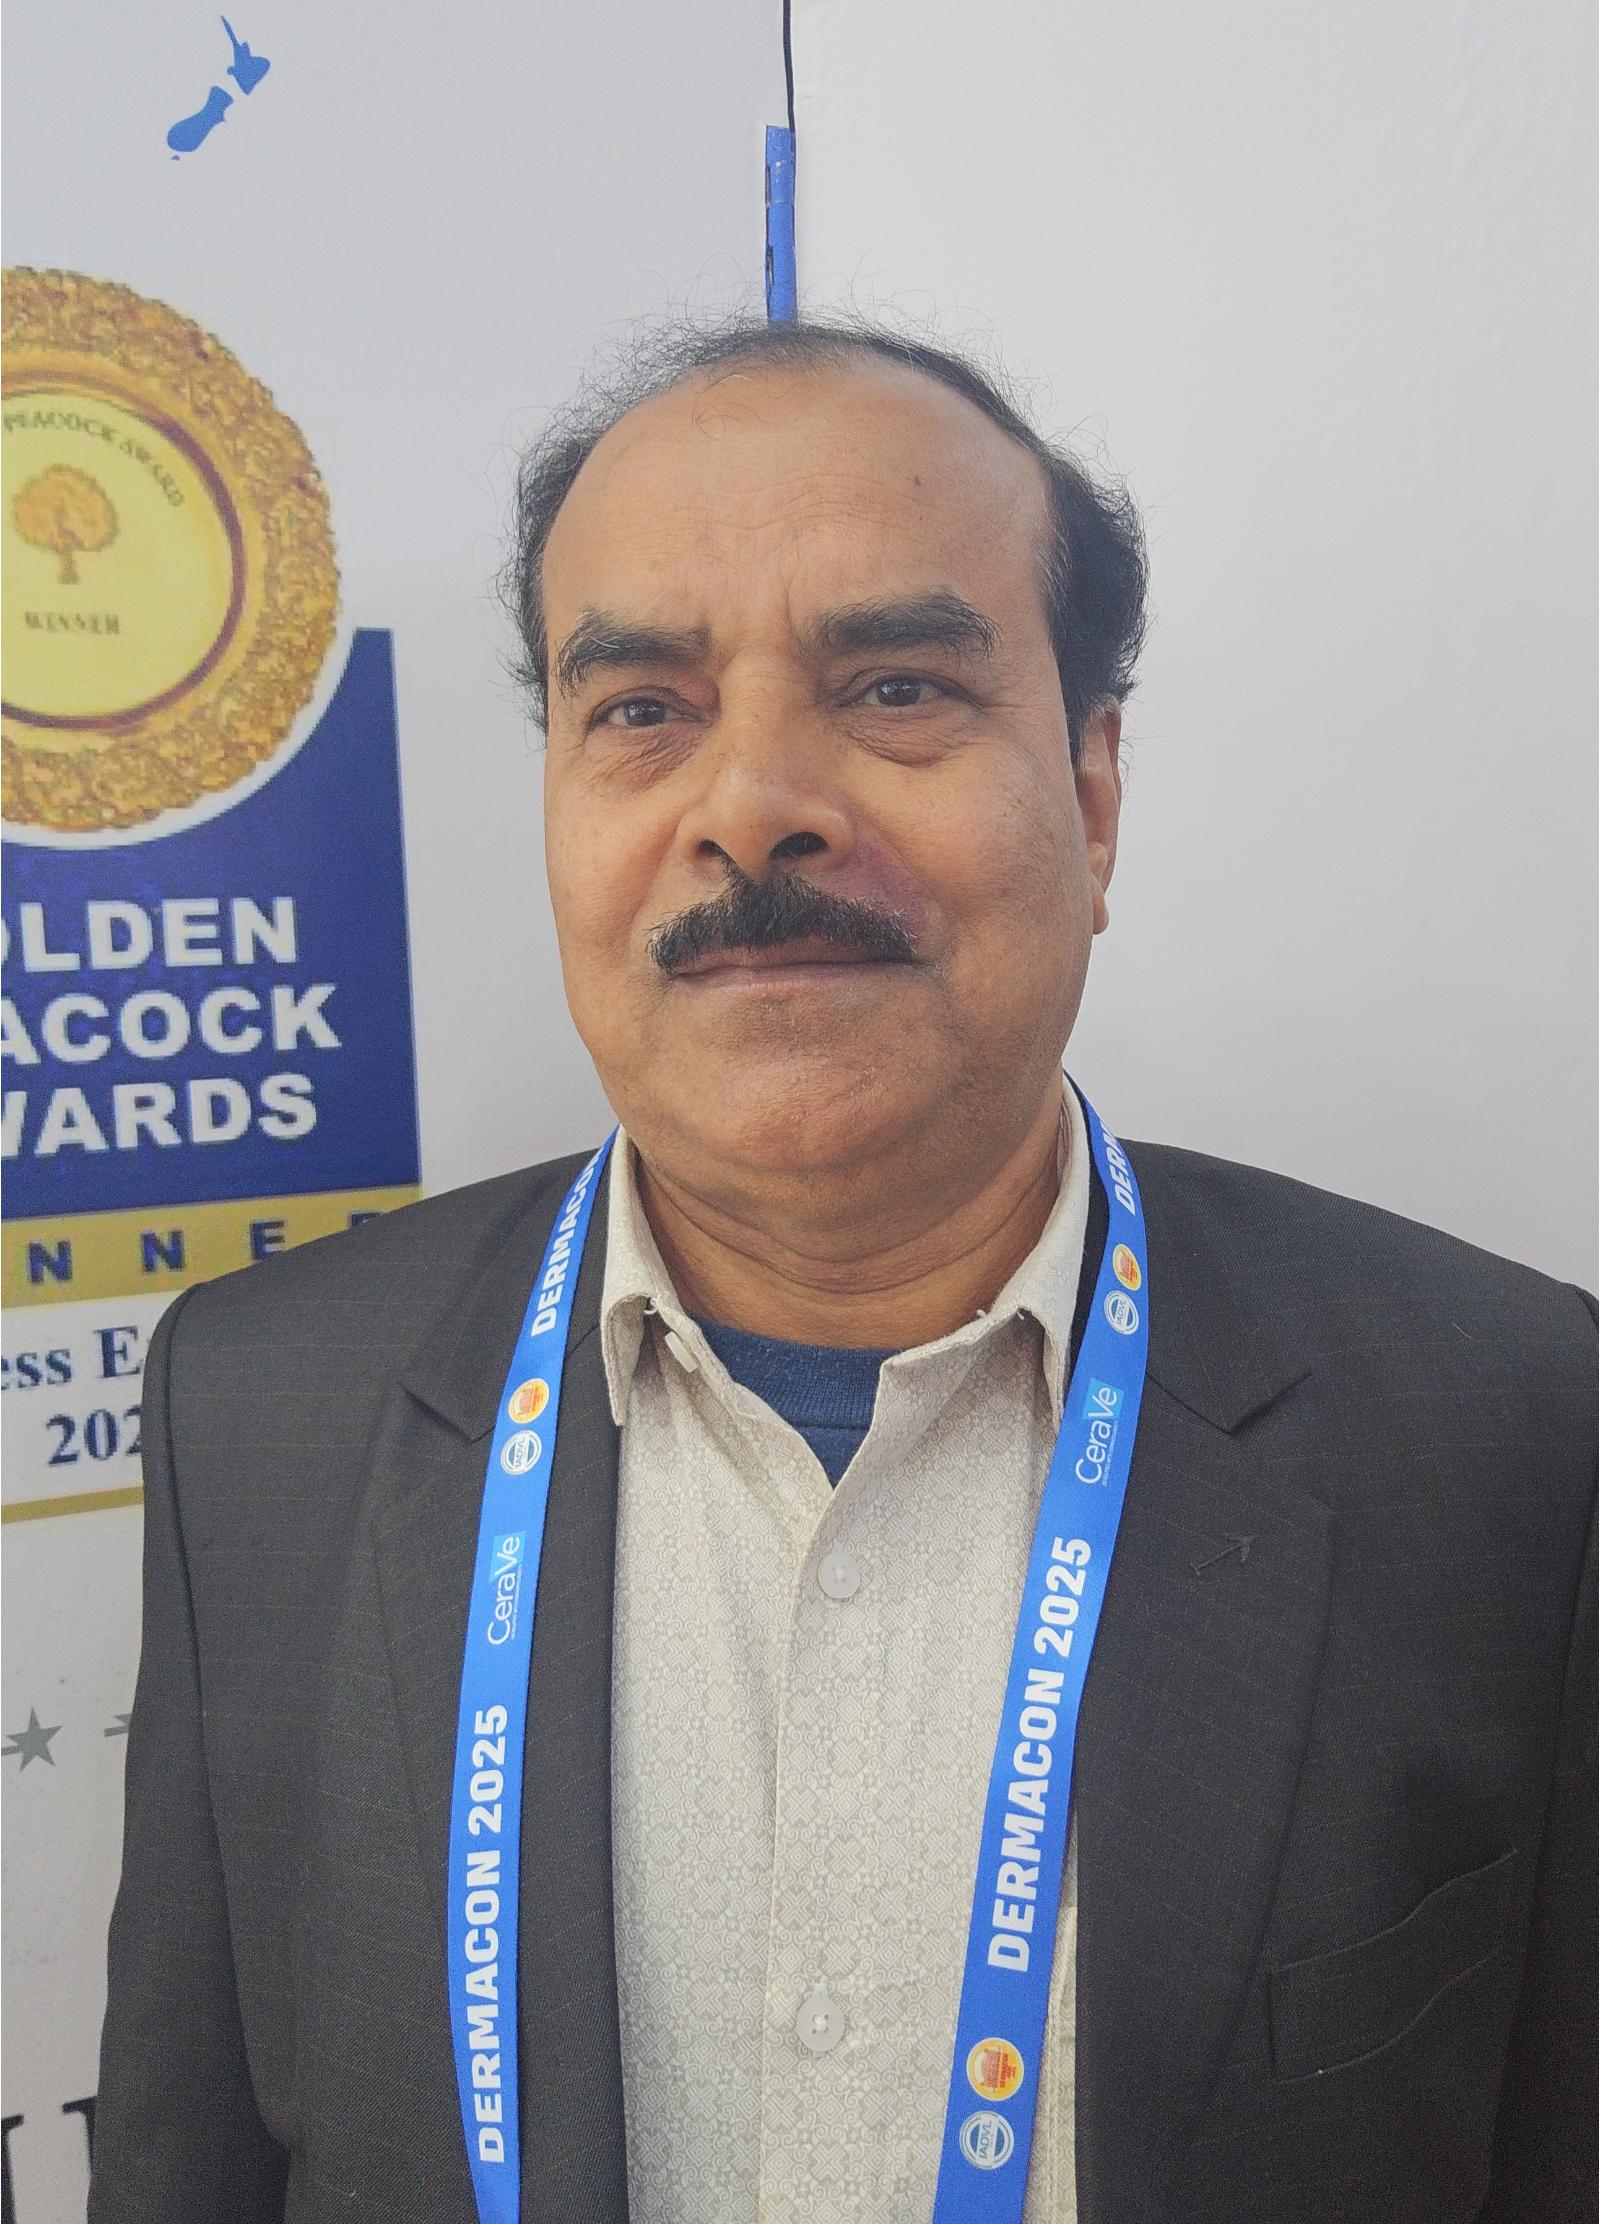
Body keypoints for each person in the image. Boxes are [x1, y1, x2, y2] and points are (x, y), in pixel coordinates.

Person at [89, 319, 1595, 2224]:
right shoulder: (256, 1415)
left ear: (1094, 795)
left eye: (895, 687)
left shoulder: (1505, 1429)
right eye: (642, 709)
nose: (752, 804)